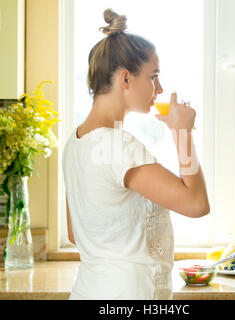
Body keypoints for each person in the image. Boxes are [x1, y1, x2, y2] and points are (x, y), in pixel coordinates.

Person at [62, 8, 210, 300]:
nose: (160, 88)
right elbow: (196, 204)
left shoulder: (74, 142)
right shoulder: (118, 146)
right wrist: (183, 134)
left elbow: (75, 234)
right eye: (153, 77)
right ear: (125, 79)